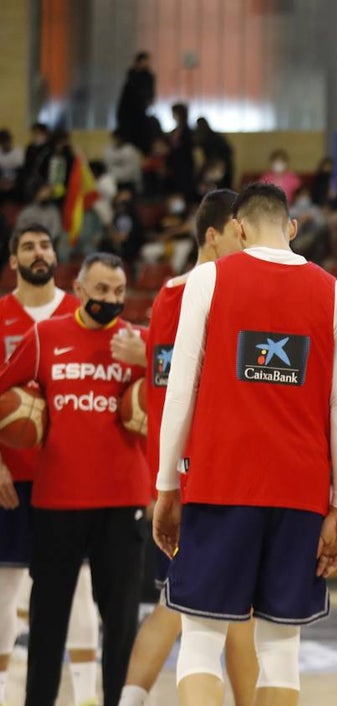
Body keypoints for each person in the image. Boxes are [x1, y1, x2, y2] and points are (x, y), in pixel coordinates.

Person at [152, 183, 337, 705]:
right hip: (300, 491)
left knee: (200, 641)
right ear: (292, 228)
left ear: (238, 229)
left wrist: (166, 485)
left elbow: (180, 390)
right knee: (281, 650)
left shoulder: (208, 279)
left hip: (219, 482)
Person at [117, 190, 258, 706]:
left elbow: (167, 379)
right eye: (240, 235)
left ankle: (130, 699)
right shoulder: (214, 293)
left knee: (204, 609)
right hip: (209, 476)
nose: (247, 245)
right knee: (197, 612)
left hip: (178, 474)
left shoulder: (167, 295)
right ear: (214, 236)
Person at [0, 251, 151, 706]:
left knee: (120, 624)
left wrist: (148, 359)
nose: (111, 298)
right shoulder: (45, 336)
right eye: (101, 289)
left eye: (119, 291)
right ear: (79, 289)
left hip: (123, 501)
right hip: (57, 501)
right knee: (47, 623)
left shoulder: (140, 342)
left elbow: (188, 396)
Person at [0, 225, 100, 706]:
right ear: (13, 261)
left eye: (45, 245)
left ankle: (86, 698)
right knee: (4, 590)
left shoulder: (81, 314)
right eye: (28, 247)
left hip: (68, 479)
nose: (38, 253)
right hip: (12, 479)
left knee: (79, 589)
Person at [115, 52, 156, 155]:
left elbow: (150, 95)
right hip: (130, 113)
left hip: (139, 113)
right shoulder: (132, 76)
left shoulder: (147, 77)